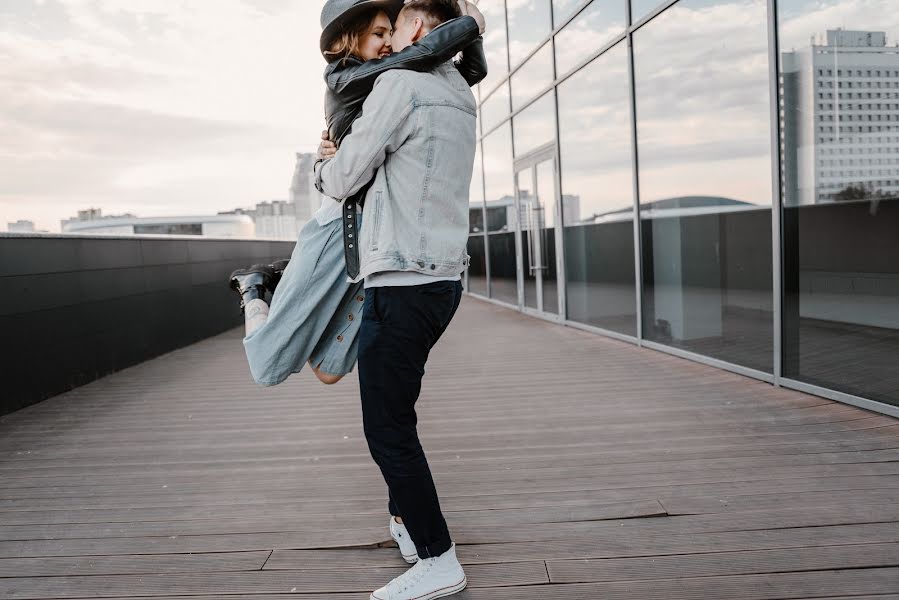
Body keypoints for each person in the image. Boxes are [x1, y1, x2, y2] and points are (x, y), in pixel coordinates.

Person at [228, 0, 486, 387]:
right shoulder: (345, 78)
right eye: (378, 34)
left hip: (376, 239)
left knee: (329, 371)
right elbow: (428, 50)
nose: (387, 44)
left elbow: (469, 70)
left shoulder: (396, 77)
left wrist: (469, 33)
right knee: (267, 368)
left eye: (389, 32)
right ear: (346, 41)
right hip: (338, 228)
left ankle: (286, 281)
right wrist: (471, 21)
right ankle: (255, 287)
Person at [314, 1, 480, 597]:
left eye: (399, 23)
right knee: (398, 414)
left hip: (401, 282)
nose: (391, 39)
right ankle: (408, 521)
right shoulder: (458, 90)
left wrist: (322, 164)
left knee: (387, 428)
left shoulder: (397, 86)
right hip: (442, 280)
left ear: (420, 27)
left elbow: (343, 180)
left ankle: (438, 560)